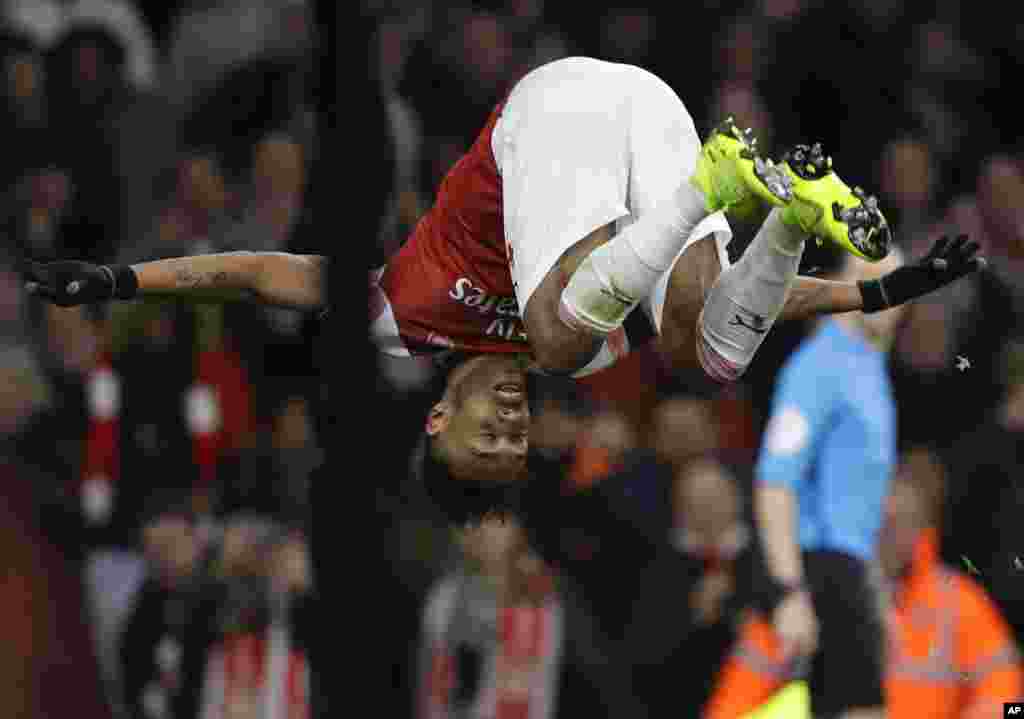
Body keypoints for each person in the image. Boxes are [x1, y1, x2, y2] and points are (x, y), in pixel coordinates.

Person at [25, 57, 983, 523]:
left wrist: (122, 278)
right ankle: (787, 203)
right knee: (710, 351)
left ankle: (720, 182)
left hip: (554, 114)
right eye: (517, 443)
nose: (513, 425)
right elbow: (760, 305)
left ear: (439, 416)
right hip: (655, 118)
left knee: (564, 336)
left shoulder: (402, 318)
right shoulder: (604, 337)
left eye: (489, 433)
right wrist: (878, 291)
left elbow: (255, 274)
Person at [745, 248, 911, 719]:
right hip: (818, 572)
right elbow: (775, 483)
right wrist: (788, 591)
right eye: (876, 280)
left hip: (850, 575)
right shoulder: (818, 366)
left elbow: (860, 506)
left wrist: (873, 593)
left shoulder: (868, 369)